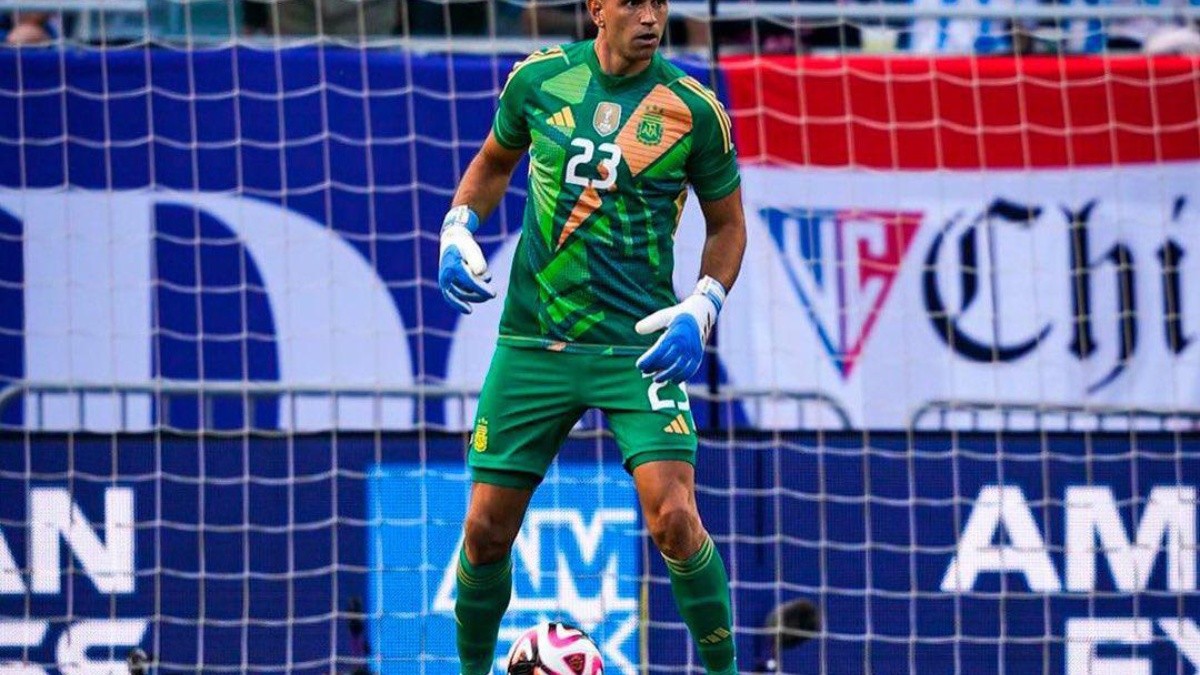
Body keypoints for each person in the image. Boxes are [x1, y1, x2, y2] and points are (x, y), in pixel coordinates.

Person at [436, 0, 746, 673]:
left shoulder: (694, 110)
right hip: (534, 342)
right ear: (595, 8)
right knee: (485, 530)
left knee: (673, 517)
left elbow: (727, 226)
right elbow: (493, 162)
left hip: (637, 349)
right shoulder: (539, 81)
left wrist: (703, 304)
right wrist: (459, 225)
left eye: (660, 1)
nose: (650, 14)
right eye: (632, 0)